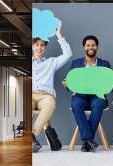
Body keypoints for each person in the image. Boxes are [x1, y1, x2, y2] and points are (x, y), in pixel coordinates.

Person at [63, 35, 111, 152]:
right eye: (88, 45)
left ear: (97, 47)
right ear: (84, 47)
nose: (91, 47)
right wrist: (67, 84)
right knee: (76, 105)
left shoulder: (105, 64)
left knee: (98, 105)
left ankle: (86, 141)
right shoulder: (76, 63)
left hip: (98, 96)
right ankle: (89, 140)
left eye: (93, 45)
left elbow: (109, 85)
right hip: (80, 96)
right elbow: (70, 82)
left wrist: (112, 84)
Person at [32, 22, 72, 153]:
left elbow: (68, 54)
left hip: (46, 96)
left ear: (46, 47)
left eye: (42, 45)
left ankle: (32, 135)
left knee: (50, 104)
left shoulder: (52, 62)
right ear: (32, 46)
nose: (39, 48)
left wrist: (59, 35)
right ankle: (44, 136)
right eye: (36, 44)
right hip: (30, 95)